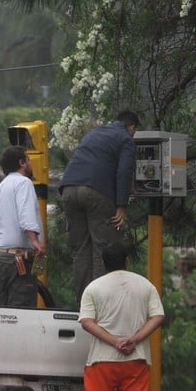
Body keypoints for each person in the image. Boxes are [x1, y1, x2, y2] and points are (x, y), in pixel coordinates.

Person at [78, 243, 164, 391]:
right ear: (126, 261)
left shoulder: (94, 288)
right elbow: (158, 316)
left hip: (101, 361)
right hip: (136, 360)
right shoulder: (145, 285)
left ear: (104, 263)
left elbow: (86, 321)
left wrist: (114, 342)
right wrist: (134, 339)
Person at [59, 110, 139, 304]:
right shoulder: (126, 139)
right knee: (102, 250)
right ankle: (101, 306)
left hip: (69, 189)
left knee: (80, 251)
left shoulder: (94, 133)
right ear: (132, 128)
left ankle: (83, 306)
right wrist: (121, 205)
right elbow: (124, 171)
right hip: (96, 191)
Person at [0, 145, 46, 306]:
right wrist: (35, 241)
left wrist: (3, 233)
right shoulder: (24, 183)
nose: (31, 164)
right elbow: (26, 215)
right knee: (20, 311)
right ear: (22, 162)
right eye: (29, 160)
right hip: (18, 259)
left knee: (0, 311)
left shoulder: (1, 186)